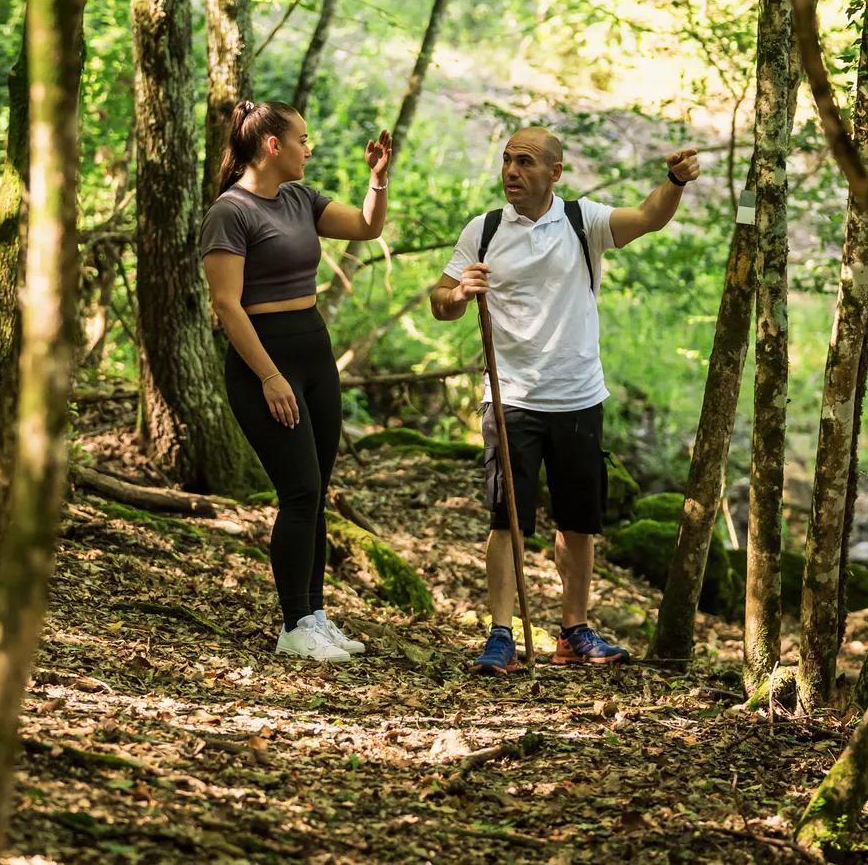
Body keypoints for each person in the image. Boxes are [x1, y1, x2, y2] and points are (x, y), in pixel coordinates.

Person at [431, 126, 700, 674]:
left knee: (579, 523)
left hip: (577, 396)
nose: (512, 171)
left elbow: (649, 216)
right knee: (507, 520)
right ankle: (501, 635)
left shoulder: (584, 221)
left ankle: (573, 630)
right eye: (507, 160)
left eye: (525, 162)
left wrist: (673, 181)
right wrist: (458, 294)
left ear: (555, 172)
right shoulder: (482, 231)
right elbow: (439, 300)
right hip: (510, 398)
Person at [200, 100, 392, 663]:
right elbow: (226, 306)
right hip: (266, 359)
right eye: (303, 139)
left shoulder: (300, 199)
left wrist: (377, 182)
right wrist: (269, 376)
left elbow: (365, 226)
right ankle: (293, 626)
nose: (311, 148)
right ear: (272, 145)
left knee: (317, 493)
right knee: (300, 491)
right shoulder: (229, 213)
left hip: (313, 351)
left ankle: (314, 614)